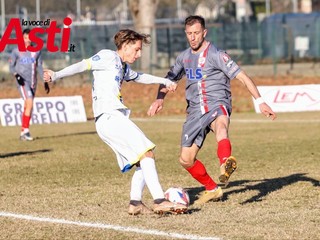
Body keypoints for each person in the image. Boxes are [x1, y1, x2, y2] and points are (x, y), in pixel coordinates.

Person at [43, 29, 187, 215]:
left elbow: (140, 77)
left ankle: (135, 203)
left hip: (110, 119)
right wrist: (56, 75)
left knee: (141, 160)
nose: (139, 53)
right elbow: (83, 65)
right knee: (147, 154)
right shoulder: (107, 56)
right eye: (136, 49)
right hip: (109, 117)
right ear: (125, 46)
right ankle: (159, 200)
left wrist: (164, 81)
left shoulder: (122, 66)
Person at [147, 15, 277, 206]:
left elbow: (243, 77)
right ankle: (212, 188)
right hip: (194, 113)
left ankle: (225, 163)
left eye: (196, 33)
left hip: (217, 103)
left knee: (221, 127)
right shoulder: (183, 57)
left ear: (204, 32)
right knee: (186, 159)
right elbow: (169, 80)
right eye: (189, 34)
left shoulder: (217, 55)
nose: (193, 37)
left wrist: (260, 101)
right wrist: (159, 99)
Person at [9, 28, 49, 141]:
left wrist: (45, 80)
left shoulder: (37, 51)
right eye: (25, 37)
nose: (27, 40)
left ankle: (23, 132)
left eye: (29, 38)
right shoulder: (16, 51)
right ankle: (26, 131)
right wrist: (16, 75)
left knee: (28, 106)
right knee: (30, 102)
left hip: (33, 83)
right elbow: (11, 67)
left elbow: (40, 66)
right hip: (22, 82)